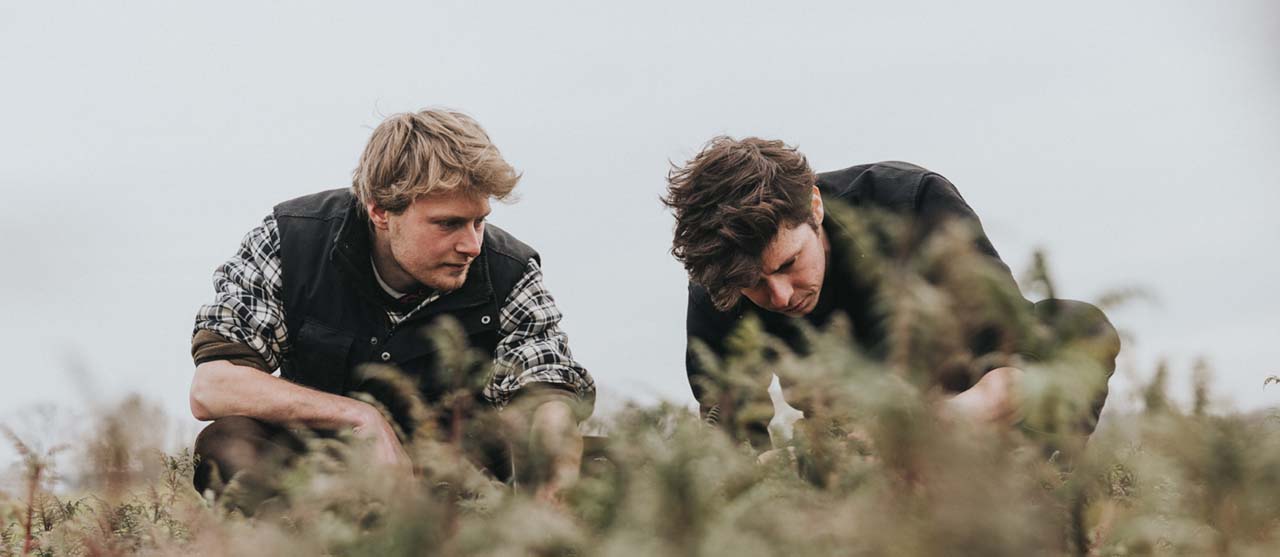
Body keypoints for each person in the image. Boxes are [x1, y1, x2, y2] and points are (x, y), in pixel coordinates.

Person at [188, 109, 595, 507]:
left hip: (462, 482)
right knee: (228, 443)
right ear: (381, 211)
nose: (472, 245)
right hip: (323, 475)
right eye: (448, 224)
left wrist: (550, 476)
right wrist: (359, 417)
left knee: (608, 468)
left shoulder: (510, 271)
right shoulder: (291, 240)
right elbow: (213, 386)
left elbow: (546, 395)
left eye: (479, 221)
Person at [662, 136, 1119, 451]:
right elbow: (731, 442)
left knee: (1080, 330)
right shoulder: (720, 278)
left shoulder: (910, 202)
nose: (780, 297)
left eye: (788, 264)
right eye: (755, 285)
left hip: (965, 405)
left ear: (814, 207)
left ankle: (1042, 499)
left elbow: (1016, 359)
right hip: (842, 445)